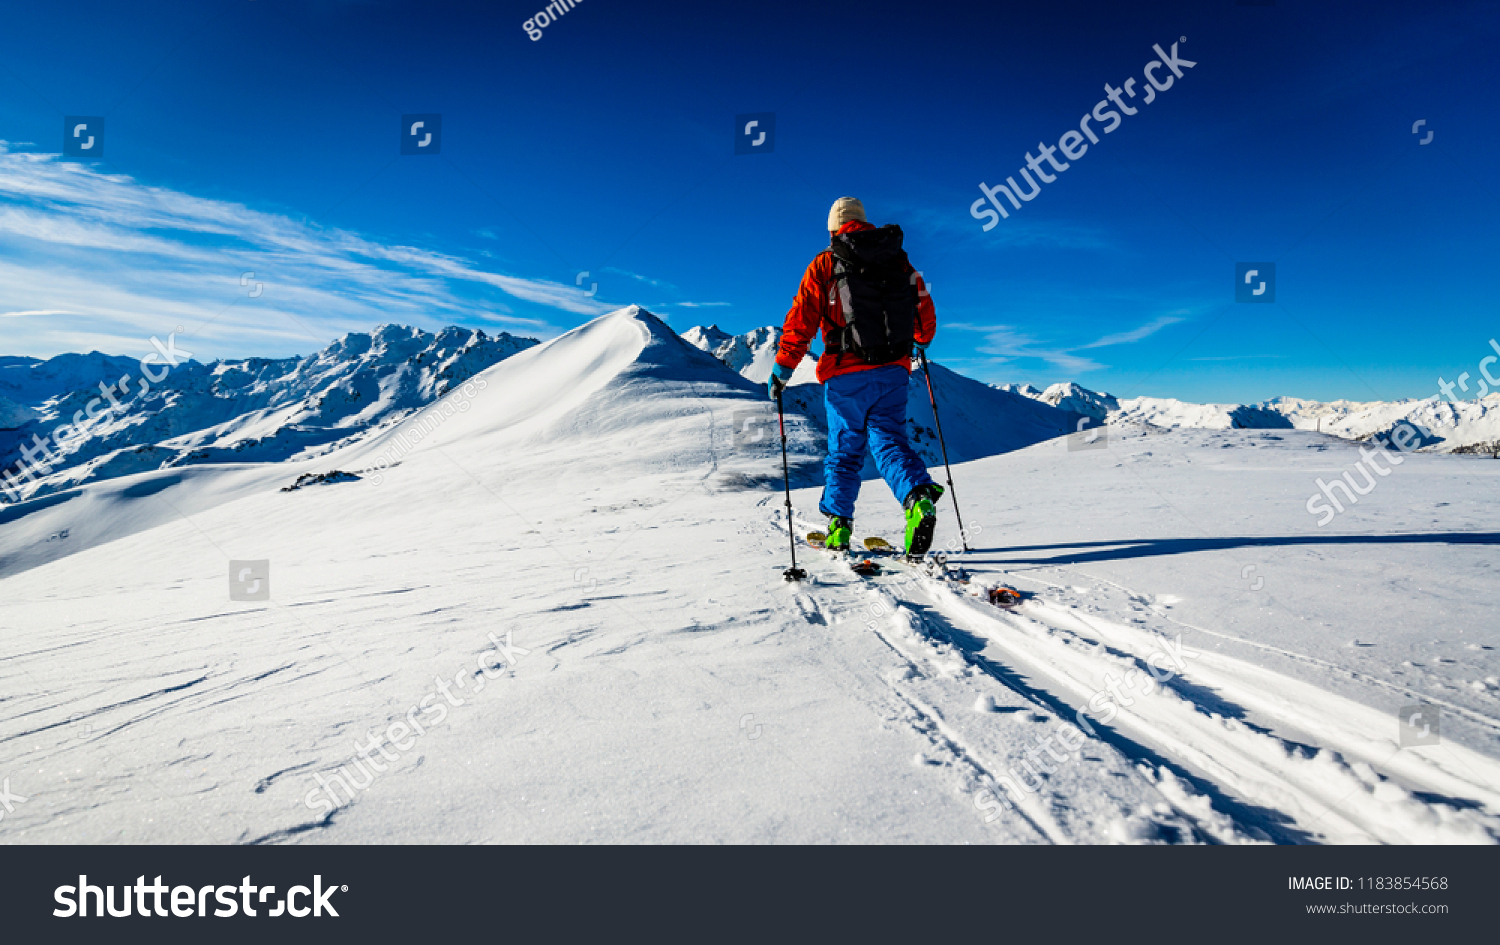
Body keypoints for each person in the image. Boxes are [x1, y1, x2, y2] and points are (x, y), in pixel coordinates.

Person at [768, 197, 943, 555]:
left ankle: (838, 528)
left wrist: (783, 368)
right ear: (864, 222)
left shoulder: (825, 263)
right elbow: (924, 313)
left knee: (845, 452)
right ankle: (917, 499)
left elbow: (802, 319)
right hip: (894, 370)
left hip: (845, 373)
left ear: (834, 228)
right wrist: (920, 340)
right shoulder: (900, 260)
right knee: (890, 441)